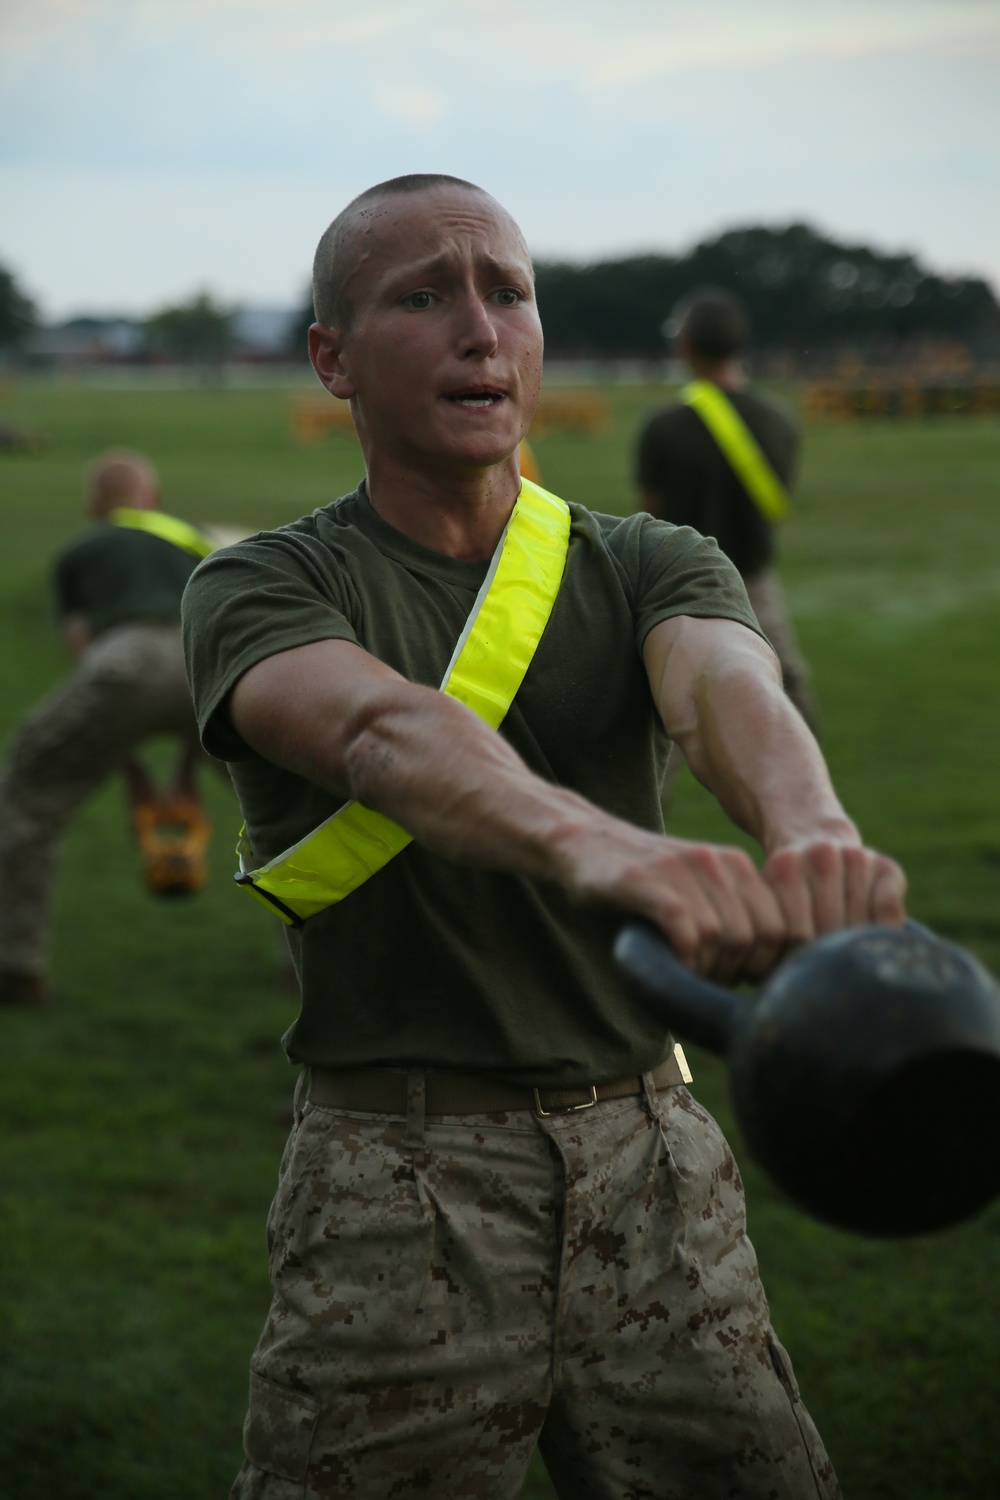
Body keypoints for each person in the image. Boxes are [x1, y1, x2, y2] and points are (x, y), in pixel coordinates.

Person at [182, 174, 905, 1499]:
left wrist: (811, 831)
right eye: (424, 295)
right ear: (332, 358)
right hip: (397, 1185)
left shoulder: (647, 559)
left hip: (658, 1162)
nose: (481, 326)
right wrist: (613, 853)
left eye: (506, 291)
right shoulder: (266, 583)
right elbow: (380, 735)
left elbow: (726, 686)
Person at [0, 450, 215, 1009]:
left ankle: (16, 967)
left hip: (127, 664)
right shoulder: (192, 540)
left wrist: (124, 752)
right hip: (209, 666)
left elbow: (85, 650)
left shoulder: (81, 548)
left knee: (27, 795)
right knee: (293, 808)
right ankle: (306, 971)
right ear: (155, 503)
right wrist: (192, 761)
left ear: (95, 506)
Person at [636, 287, 818, 734]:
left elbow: (653, 513)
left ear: (686, 346)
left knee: (659, 715)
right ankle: (802, 797)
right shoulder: (780, 418)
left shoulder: (662, 426)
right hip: (753, 584)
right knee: (788, 695)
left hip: (678, 586)